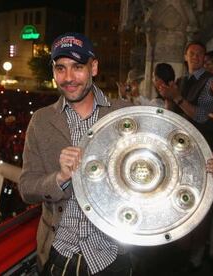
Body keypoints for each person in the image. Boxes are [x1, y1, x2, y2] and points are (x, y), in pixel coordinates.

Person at [18, 32, 132, 275]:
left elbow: (162, 161)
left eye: (77, 67)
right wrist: (59, 177)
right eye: (61, 68)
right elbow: (26, 188)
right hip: (59, 251)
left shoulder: (124, 115)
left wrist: (207, 167)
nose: (68, 78)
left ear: (94, 67)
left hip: (113, 254)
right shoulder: (41, 120)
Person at [158, 41, 213, 150]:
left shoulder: (211, 81)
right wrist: (168, 98)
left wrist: (176, 97)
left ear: (204, 58)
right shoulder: (181, 80)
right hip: (180, 142)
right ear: (185, 57)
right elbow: (171, 114)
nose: (195, 56)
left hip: (202, 144)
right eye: (192, 53)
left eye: (199, 54)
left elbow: (202, 116)